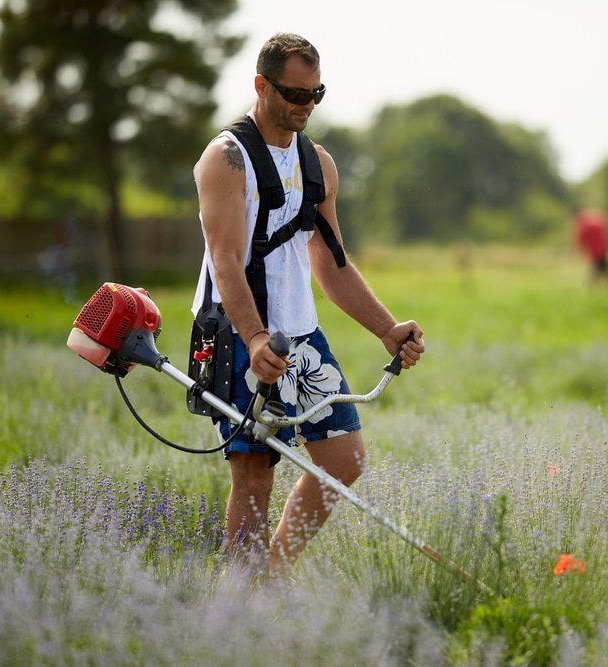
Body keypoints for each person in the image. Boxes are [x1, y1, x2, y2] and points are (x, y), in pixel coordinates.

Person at [191, 32, 425, 577]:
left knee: (345, 459)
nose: (305, 106)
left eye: (315, 94)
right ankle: (246, 603)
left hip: (300, 332)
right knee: (254, 472)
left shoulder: (318, 164)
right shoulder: (225, 159)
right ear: (260, 85)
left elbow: (331, 263)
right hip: (236, 332)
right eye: (294, 94)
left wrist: (387, 330)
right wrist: (252, 339)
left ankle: (271, 573)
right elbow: (225, 261)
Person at [573, 208, 608, 280]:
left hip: (595, 251)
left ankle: (594, 284)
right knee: (605, 267)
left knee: (596, 268)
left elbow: (580, 241)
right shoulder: (598, 222)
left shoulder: (583, 226)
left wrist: (582, 252)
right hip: (604, 248)